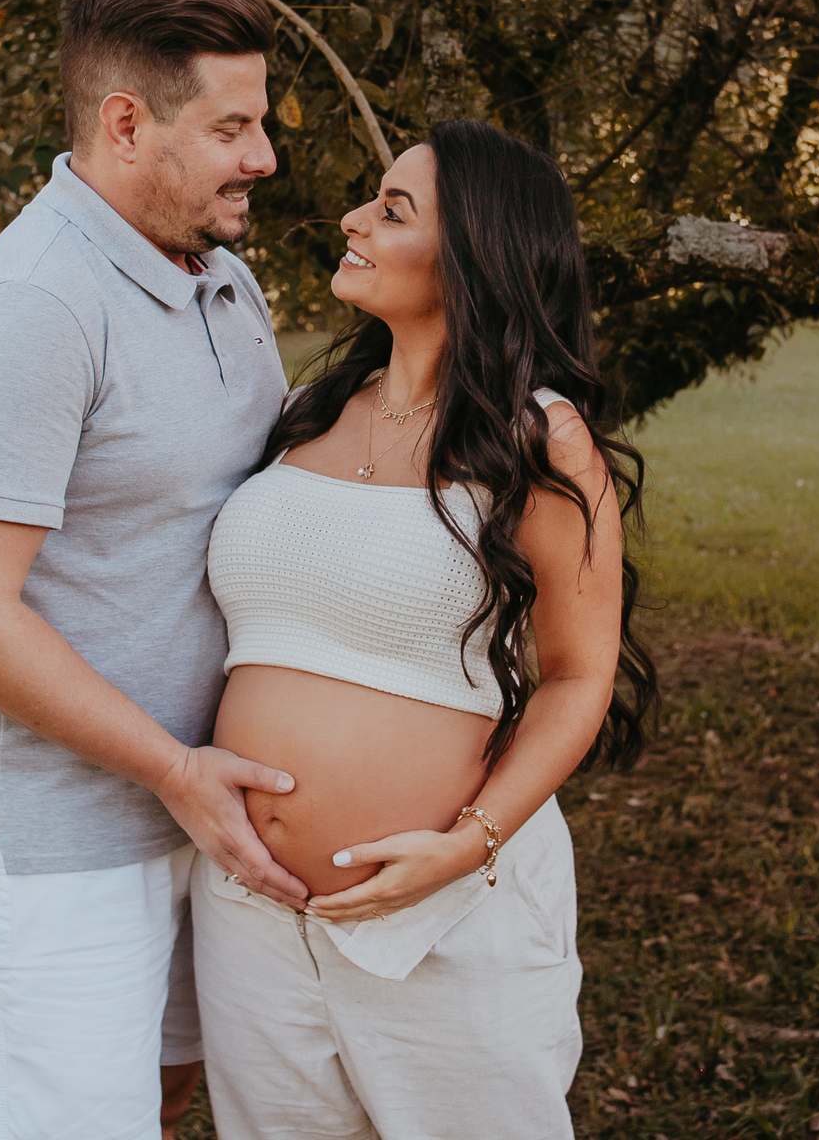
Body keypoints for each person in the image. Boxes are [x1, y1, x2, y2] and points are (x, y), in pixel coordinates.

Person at [0, 0, 310, 1140]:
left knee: (162, 1103)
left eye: (260, 124)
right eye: (231, 128)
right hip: (53, 850)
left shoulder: (223, 277)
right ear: (127, 124)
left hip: (190, 815)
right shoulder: (32, 306)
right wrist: (172, 770)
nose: (263, 158)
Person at [195, 120, 659, 1140]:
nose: (352, 218)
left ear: (474, 257)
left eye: (393, 210)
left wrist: (466, 846)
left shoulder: (542, 443)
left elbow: (578, 677)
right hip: (249, 910)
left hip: (446, 914)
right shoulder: (306, 411)